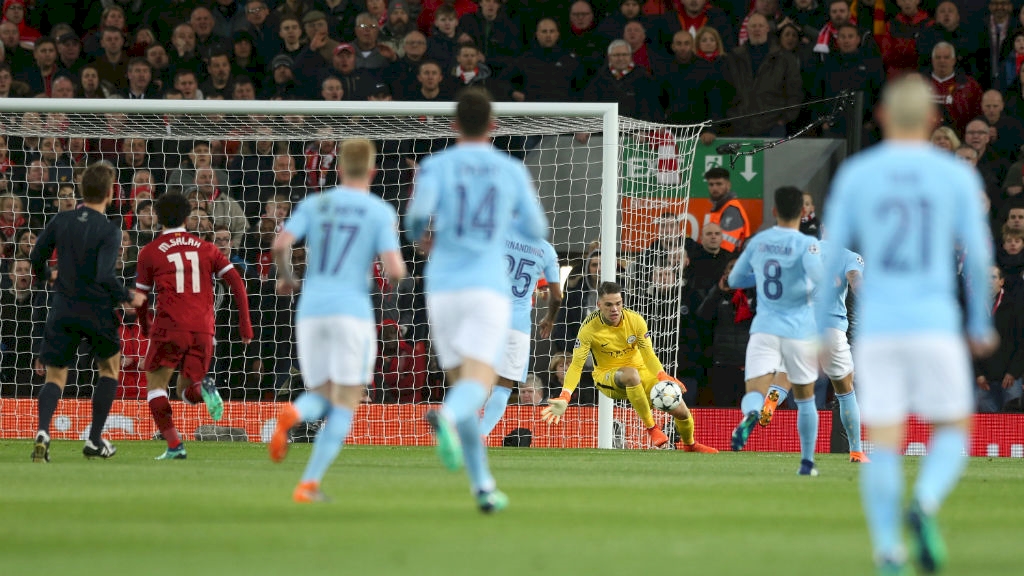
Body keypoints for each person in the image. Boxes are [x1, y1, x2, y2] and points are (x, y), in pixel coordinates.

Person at [819, 74, 996, 575]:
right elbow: (979, 257)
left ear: (882, 117)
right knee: (954, 430)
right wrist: (980, 321)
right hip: (935, 322)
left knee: (886, 442)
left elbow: (831, 257)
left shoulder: (858, 173)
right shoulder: (955, 176)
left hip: (878, 328)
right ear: (934, 120)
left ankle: (888, 553)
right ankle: (926, 502)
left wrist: (816, 330)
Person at [405, 89, 549, 513]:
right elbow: (536, 226)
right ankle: (447, 420)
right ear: (493, 126)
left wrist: (425, 240)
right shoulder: (510, 169)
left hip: (443, 285)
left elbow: (414, 220)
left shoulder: (435, 165)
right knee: (479, 382)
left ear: (453, 125)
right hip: (487, 285)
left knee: (461, 383)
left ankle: (483, 486)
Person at [269, 138, 407, 503]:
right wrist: (395, 279)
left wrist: (285, 278)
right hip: (352, 313)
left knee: (322, 395)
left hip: (311, 310)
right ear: (373, 171)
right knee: (346, 401)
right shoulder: (378, 211)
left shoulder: (316, 203)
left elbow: (280, 244)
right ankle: (308, 482)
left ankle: (295, 410)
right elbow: (394, 269)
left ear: (339, 168)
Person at [28, 161, 147, 463]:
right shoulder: (109, 229)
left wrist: (48, 275)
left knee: (55, 375)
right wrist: (127, 296)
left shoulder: (62, 219)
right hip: (96, 310)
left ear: (81, 190)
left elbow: (35, 255)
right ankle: (94, 439)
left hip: (64, 307)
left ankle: (43, 431)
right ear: (110, 193)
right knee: (109, 369)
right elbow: (105, 275)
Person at [133, 193, 254, 460]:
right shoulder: (207, 247)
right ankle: (204, 389)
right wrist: (245, 327)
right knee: (186, 393)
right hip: (203, 330)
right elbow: (236, 282)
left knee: (156, 388)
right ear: (187, 218)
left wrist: (145, 326)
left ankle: (175, 445)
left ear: (157, 217)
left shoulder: (150, 252)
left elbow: (140, 298)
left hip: (170, 326)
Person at [541, 281, 718, 453]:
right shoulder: (589, 328)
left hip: (642, 372)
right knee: (631, 375)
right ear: (599, 305)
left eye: (618, 303)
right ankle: (652, 428)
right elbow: (577, 364)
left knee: (681, 411)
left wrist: (662, 375)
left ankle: (690, 445)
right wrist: (565, 395)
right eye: (609, 305)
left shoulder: (635, 320)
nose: (614, 309)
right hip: (607, 377)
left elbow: (648, 354)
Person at [727, 186, 824, 476]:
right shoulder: (807, 245)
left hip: (764, 329)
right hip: (799, 330)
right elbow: (819, 279)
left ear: (774, 212)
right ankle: (807, 463)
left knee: (755, 391)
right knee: (805, 398)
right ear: (804, 213)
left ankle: (752, 413)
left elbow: (734, 279)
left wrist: (756, 276)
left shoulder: (758, 242)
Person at [759, 232, 870, 464]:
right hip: (831, 328)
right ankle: (857, 451)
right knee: (845, 388)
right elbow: (854, 279)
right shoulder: (850, 257)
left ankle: (771, 400)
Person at [478, 230, 562, 437]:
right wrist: (549, 318)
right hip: (518, 326)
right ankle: (480, 435)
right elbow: (557, 298)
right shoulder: (546, 250)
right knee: (504, 387)